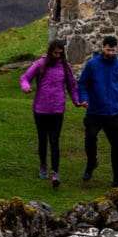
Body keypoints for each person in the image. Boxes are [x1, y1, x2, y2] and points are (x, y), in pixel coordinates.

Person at [20, 40, 84, 188]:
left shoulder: (65, 66)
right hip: (40, 109)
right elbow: (25, 78)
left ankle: (55, 172)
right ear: (50, 51)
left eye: (60, 53)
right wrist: (26, 87)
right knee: (42, 139)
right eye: (55, 53)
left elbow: (72, 86)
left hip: (57, 109)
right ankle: (43, 165)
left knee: (54, 140)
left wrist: (77, 101)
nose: (57, 56)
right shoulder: (40, 64)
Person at [77, 33, 118, 192]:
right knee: (90, 138)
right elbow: (82, 84)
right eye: (108, 50)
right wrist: (84, 98)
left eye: (113, 51)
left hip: (113, 114)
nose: (110, 53)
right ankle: (91, 162)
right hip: (94, 112)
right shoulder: (92, 65)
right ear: (102, 48)